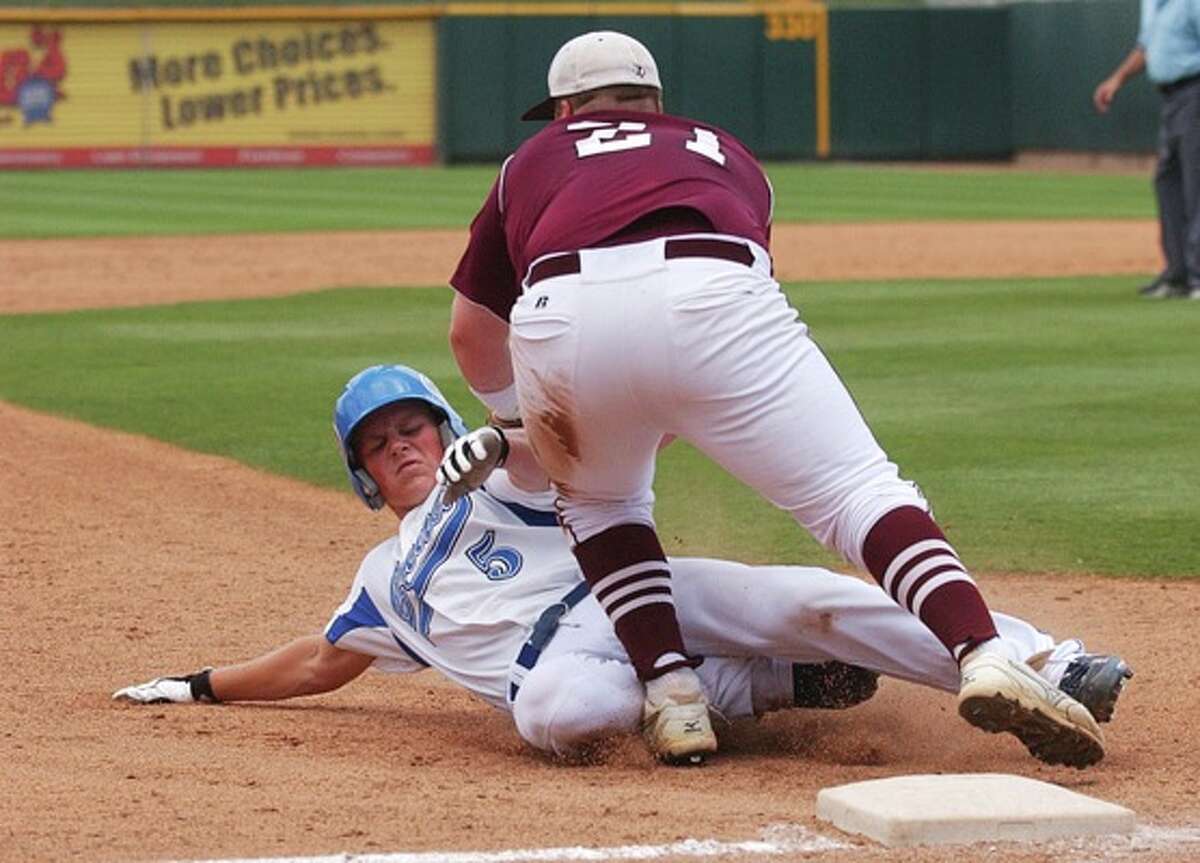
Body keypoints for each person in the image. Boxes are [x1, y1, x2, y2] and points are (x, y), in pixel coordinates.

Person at [444, 30, 1118, 767]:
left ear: (566, 109)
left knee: (603, 503)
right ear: (657, 102)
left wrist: (522, 420)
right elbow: (731, 293)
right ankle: (984, 651)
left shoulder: (528, 163)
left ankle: (673, 696)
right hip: (717, 288)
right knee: (855, 491)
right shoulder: (725, 150)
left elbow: (471, 333)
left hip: (562, 311)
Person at [114, 365, 1133, 765]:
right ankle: (764, 684)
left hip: (630, 594)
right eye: (381, 446)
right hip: (560, 668)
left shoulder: (489, 473)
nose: (405, 447)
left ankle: (1044, 659)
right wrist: (200, 682)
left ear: (441, 424)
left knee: (804, 597)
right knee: (559, 714)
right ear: (365, 477)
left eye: (414, 426)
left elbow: (564, 447)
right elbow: (314, 663)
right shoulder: (382, 580)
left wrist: (501, 440)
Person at [1094, 0, 1200, 299]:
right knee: (1168, 182)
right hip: (1170, 98)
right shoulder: (1152, 3)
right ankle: (1178, 273)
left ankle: (1198, 275)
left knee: (1196, 183)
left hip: (1195, 91)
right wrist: (1117, 78)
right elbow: (1146, 46)